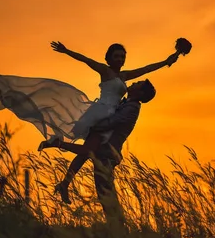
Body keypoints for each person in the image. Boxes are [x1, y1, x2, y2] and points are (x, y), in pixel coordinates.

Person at [38, 38, 191, 203]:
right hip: (102, 112)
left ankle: (64, 184)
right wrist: (66, 51)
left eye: (122, 56)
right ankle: (56, 144)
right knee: (87, 151)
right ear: (109, 58)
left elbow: (147, 69)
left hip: (113, 113)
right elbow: (86, 60)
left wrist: (167, 60)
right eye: (116, 56)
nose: (120, 59)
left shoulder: (125, 75)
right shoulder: (105, 71)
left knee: (86, 152)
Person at [43, 79, 156, 223]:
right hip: (104, 147)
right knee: (104, 191)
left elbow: (114, 121)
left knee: (106, 194)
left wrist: (93, 126)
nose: (133, 83)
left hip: (108, 153)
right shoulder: (126, 102)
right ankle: (116, 226)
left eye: (137, 84)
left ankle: (118, 227)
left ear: (140, 93)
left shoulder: (132, 107)